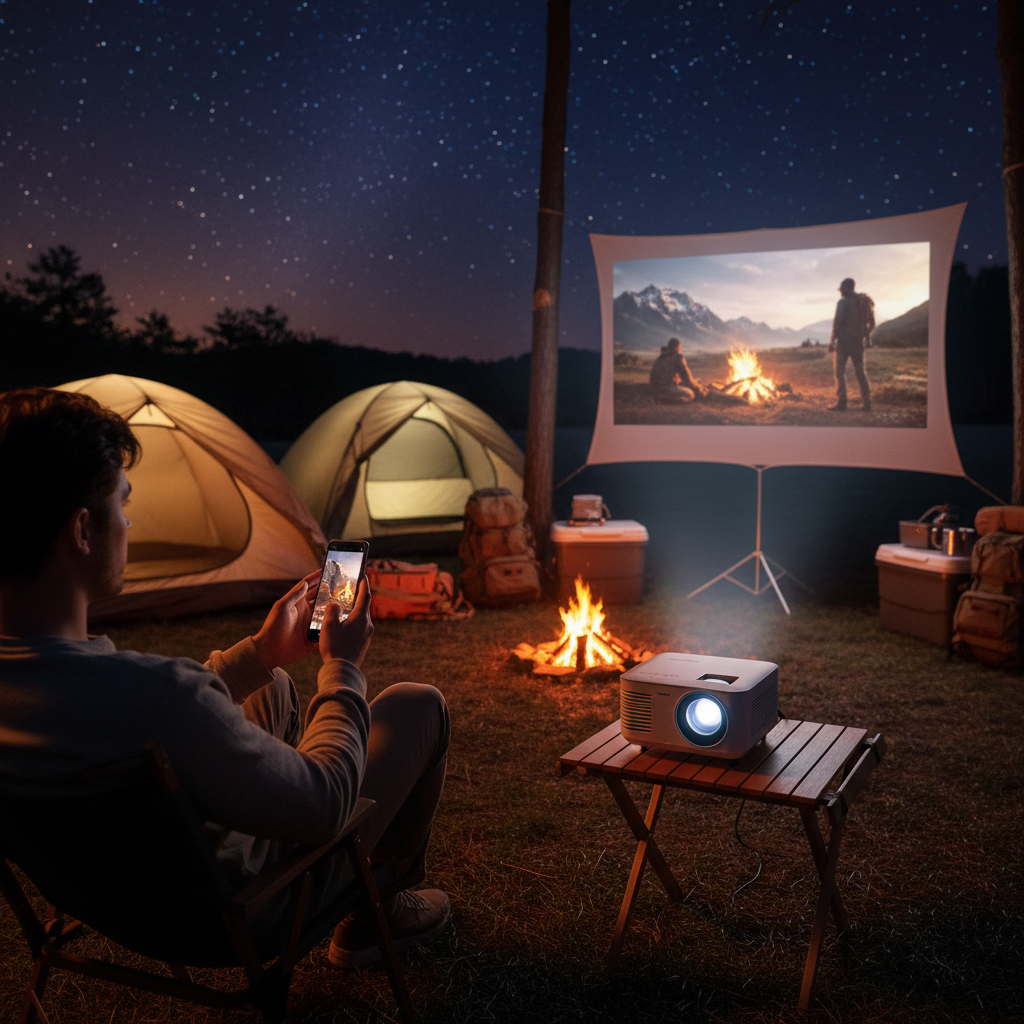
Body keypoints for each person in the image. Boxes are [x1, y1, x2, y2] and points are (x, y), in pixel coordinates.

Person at [0, 387, 450, 969]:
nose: (129, 522)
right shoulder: (163, 699)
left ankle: (269, 708)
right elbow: (324, 804)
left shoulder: (59, 694)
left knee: (272, 683)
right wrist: (341, 668)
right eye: (123, 504)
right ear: (83, 531)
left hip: (129, 905)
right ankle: (371, 916)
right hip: (247, 911)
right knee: (417, 705)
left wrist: (260, 653)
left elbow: (152, 708)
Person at [828, 277, 875, 412]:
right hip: (858, 342)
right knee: (860, 372)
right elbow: (872, 323)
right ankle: (867, 404)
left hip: (843, 342)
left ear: (848, 288)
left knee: (839, 372)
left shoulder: (843, 302)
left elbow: (837, 323)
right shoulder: (864, 302)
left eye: (842, 289)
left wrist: (832, 341)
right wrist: (864, 334)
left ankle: (842, 403)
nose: (841, 292)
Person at [649, 337, 708, 403]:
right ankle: (663, 399)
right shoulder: (677, 357)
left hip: (655, 388)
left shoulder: (661, 357)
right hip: (666, 389)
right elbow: (687, 379)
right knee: (690, 394)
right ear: (678, 346)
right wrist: (700, 390)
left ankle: (661, 397)